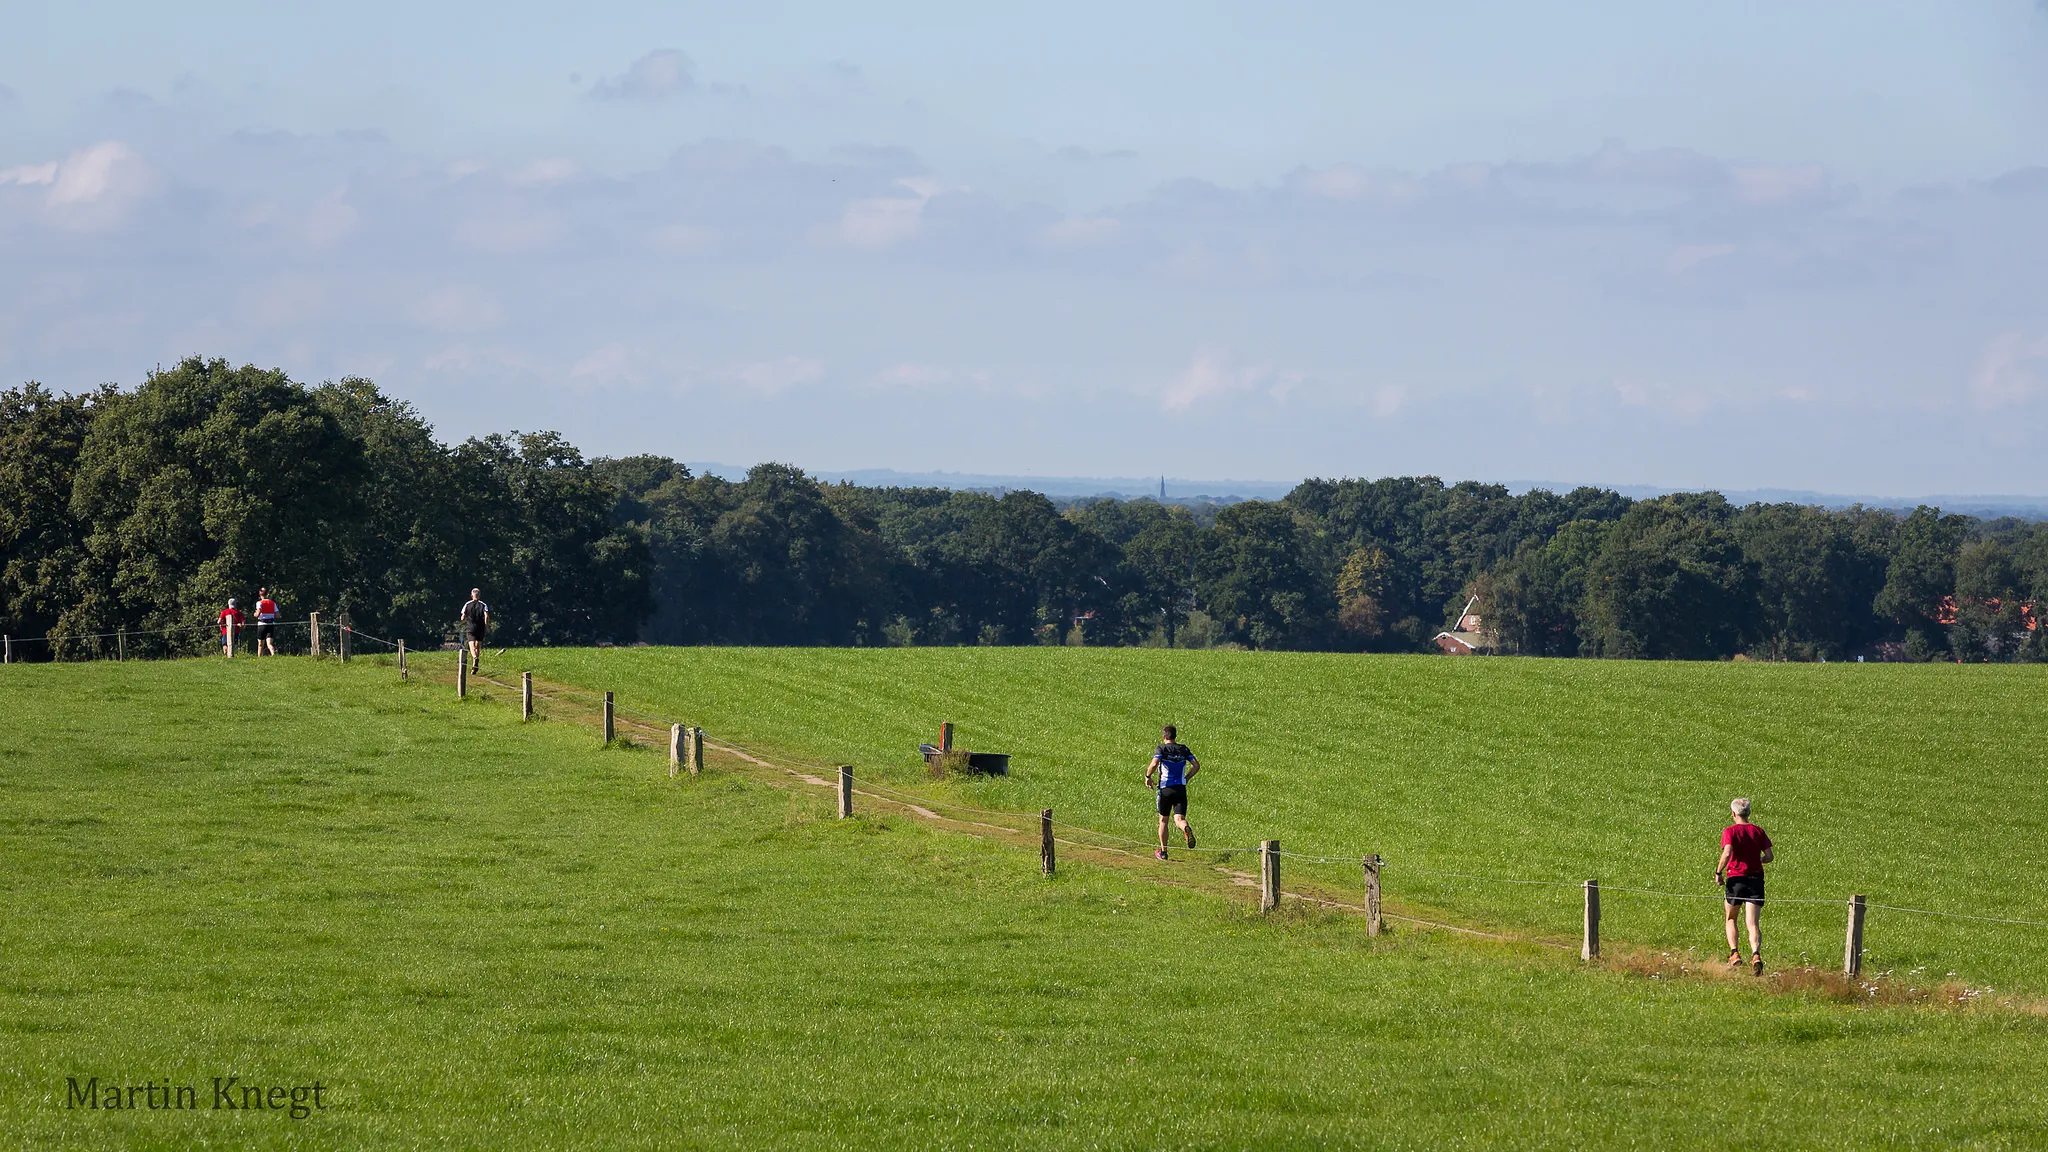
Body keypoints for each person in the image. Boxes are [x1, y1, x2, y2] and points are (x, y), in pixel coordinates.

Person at [1715, 797, 1774, 975]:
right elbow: (1770, 856)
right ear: (1749, 813)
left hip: (1736, 879)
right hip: (1755, 880)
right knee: (1753, 923)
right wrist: (1759, 860)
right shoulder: (1758, 831)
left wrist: (1718, 872)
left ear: (1733, 813)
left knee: (1731, 918)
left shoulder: (1730, 831)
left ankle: (1734, 954)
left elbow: (1727, 853)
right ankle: (1756, 955)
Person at [1142, 725, 1200, 860]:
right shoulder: (1183, 749)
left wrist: (1148, 777)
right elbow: (1196, 766)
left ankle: (1163, 852)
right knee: (1179, 819)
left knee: (1163, 820)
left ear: (1164, 737)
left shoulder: (1161, 749)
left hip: (1165, 790)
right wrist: (1186, 778)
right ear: (1175, 737)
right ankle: (1185, 828)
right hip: (1180, 788)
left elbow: (1154, 763)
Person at [459, 589, 490, 673]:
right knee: (478, 646)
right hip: (480, 628)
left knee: (471, 645)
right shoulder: (483, 605)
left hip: (470, 627)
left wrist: (463, 619)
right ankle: (474, 664)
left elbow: (462, 616)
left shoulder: (467, 604)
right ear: (479, 596)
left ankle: (475, 658)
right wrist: (486, 626)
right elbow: (486, 616)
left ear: (472, 595)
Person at [253, 587, 280, 656]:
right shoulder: (273, 603)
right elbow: (277, 615)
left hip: (262, 624)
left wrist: (255, 614)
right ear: (267, 594)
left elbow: (258, 612)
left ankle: (259, 657)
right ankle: (273, 655)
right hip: (271, 624)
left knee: (260, 644)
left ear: (260, 594)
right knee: (269, 643)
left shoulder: (259, 603)